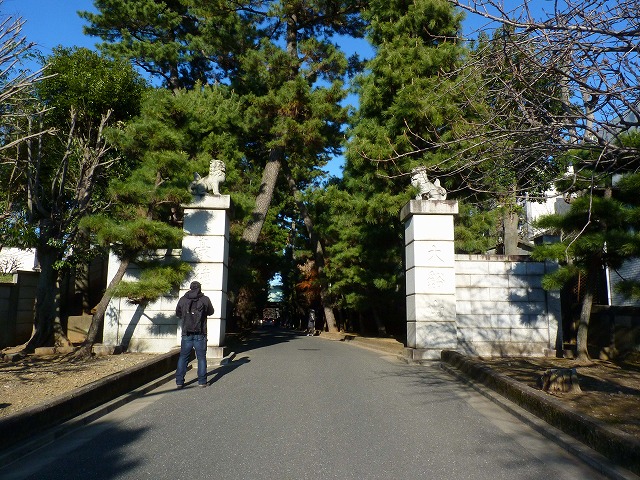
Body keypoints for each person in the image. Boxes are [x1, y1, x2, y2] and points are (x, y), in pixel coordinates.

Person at [175, 281, 214, 389]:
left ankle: (179, 381)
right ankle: (202, 381)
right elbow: (211, 311)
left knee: (183, 357)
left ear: (190, 288)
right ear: (200, 288)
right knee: (201, 358)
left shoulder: (183, 299)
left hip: (186, 332)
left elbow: (178, 313)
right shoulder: (205, 299)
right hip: (200, 332)